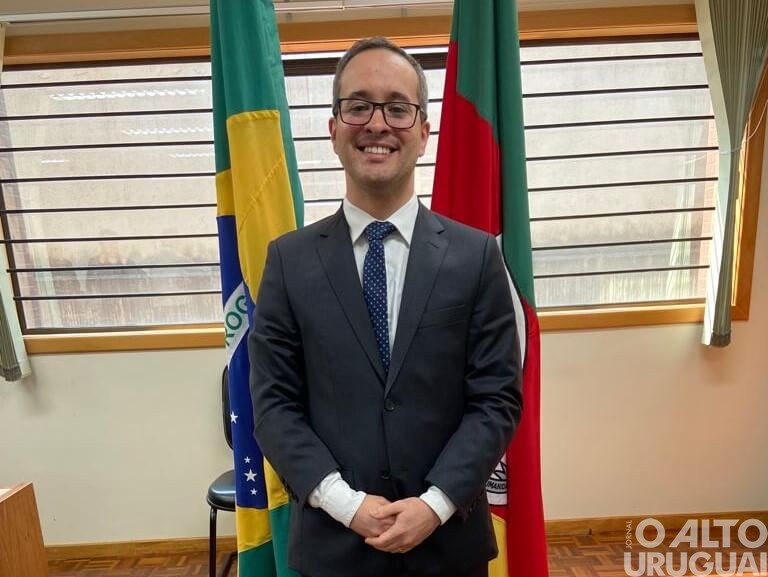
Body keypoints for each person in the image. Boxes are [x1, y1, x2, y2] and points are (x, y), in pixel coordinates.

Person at [248, 36, 522, 577]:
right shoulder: (287, 261)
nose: (378, 124)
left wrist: (435, 505)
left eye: (398, 108)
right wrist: (347, 505)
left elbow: (496, 399)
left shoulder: (476, 257)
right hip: (333, 547)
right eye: (359, 106)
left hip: (448, 545)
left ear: (423, 133)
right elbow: (273, 405)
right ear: (333, 129)